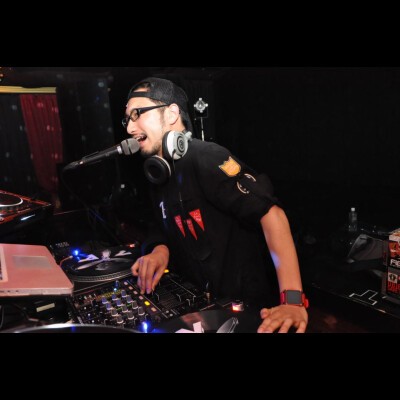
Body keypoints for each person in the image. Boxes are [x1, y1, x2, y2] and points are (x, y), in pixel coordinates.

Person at [124, 77, 308, 333]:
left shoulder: (206, 157)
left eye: (138, 114)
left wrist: (292, 300)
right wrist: (159, 250)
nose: (130, 128)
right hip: (203, 310)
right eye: (127, 119)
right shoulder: (158, 174)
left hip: (246, 312)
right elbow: (161, 225)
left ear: (172, 113)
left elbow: (272, 214)